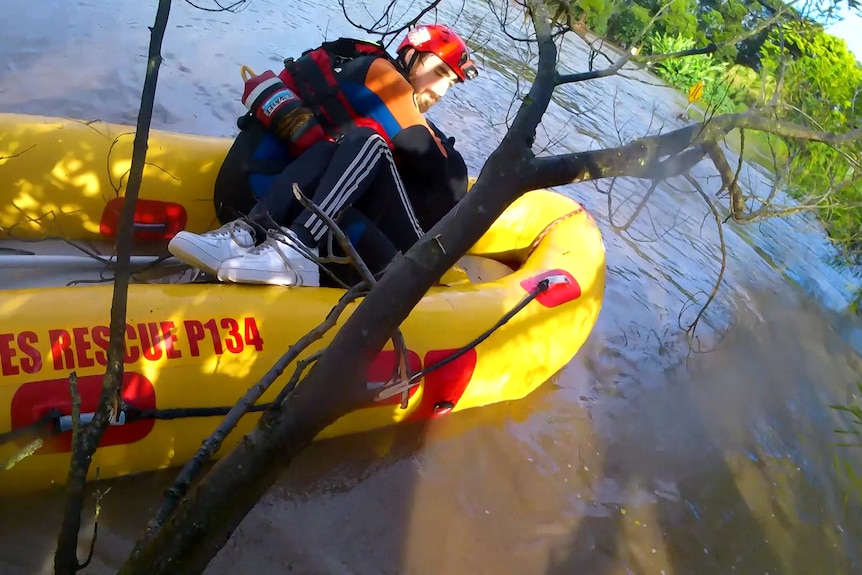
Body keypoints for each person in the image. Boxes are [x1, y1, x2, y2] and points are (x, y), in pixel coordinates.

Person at [168, 24, 478, 287]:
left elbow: (444, 178)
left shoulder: (353, 64)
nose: (440, 91)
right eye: (438, 72)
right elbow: (434, 164)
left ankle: (278, 243)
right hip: (386, 240)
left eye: (450, 83)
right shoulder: (386, 81)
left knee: (357, 141)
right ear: (410, 56)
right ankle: (264, 239)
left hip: (409, 251)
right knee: (350, 142)